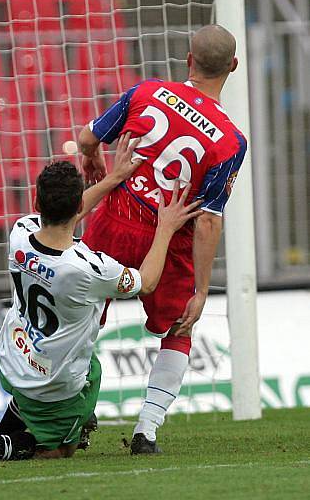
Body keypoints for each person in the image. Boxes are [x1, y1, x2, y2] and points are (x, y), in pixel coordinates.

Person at [0, 134, 201, 465]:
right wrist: (165, 228)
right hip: (55, 383)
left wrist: (113, 178)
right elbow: (149, 282)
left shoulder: (20, 233)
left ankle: (25, 418)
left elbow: (65, 217)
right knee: (58, 451)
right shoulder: (89, 269)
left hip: (12, 358)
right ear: (80, 206)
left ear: (36, 203)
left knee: (84, 367)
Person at [77, 25, 247, 454]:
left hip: (115, 219)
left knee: (84, 311)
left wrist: (95, 159)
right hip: (170, 237)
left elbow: (87, 137)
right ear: (233, 67)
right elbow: (209, 220)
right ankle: (146, 430)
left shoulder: (147, 92)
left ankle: (77, 402)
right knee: (179, 327)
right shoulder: (230, 142)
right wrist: (204, 289)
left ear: (188, 60)